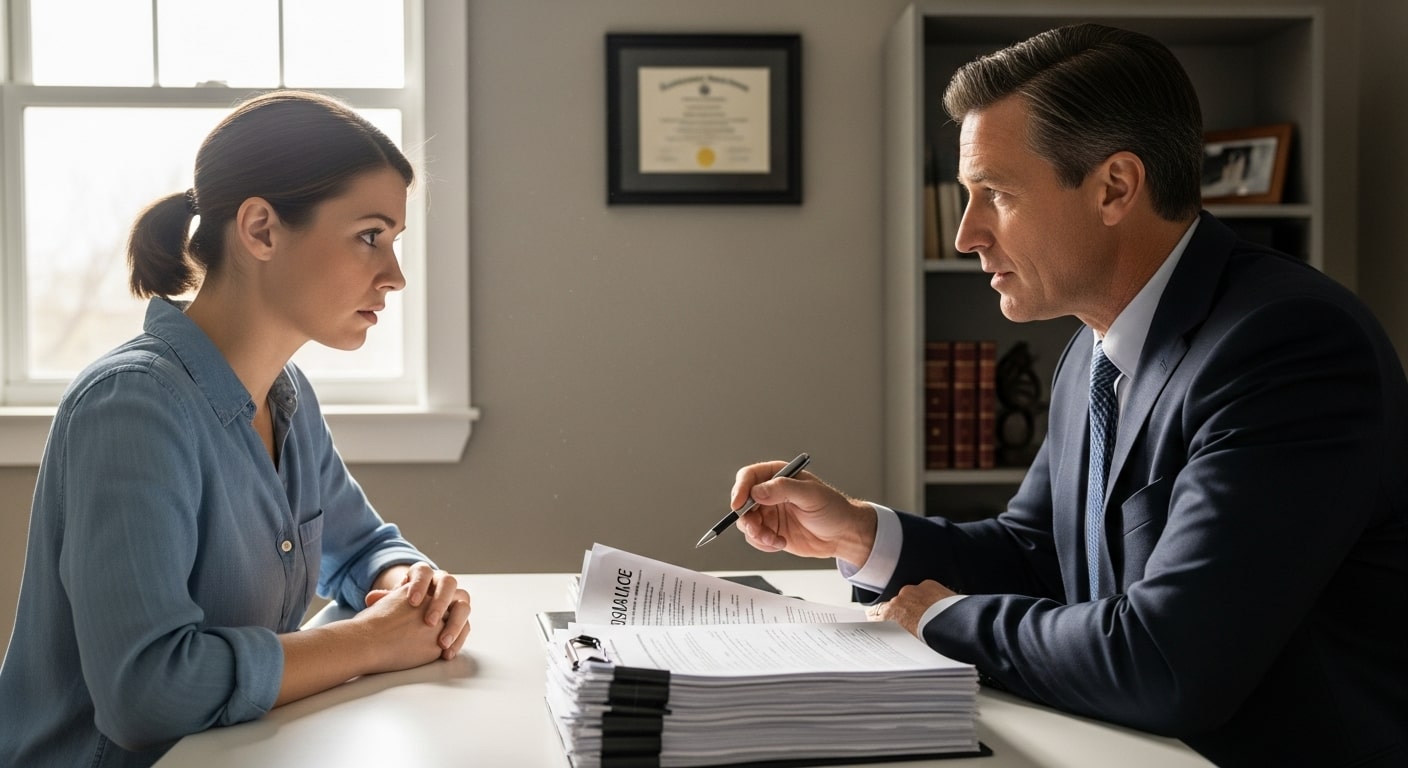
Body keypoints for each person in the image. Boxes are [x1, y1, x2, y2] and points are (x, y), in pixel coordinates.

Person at [731, 24, 1406, 768]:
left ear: (1115, 186)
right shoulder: (1093, 345)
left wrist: (946, 621)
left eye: (995, 194)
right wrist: (862, 534)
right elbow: (1039, 557)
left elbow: (1169, 661)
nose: (965, 235)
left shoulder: (1289, 344)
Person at [0, 90, 471, 768]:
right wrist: (373, 641)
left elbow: (362, 544)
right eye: (370, 236)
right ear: (260, 230)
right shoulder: (130, 408)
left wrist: (411, 589)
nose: (393, 276)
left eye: (394, 241)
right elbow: (147, 693)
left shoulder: (285, 394)